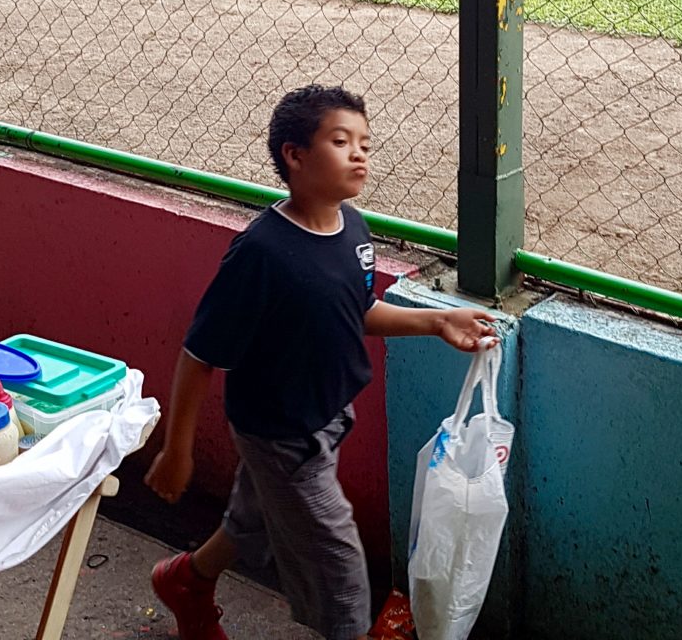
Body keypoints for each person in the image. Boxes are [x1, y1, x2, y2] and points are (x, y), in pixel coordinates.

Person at [145, 85, 498, 640]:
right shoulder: (261, 253)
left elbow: (355, 310)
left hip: (329, 417)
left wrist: (435, 322)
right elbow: (200, 354)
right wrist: (177, 449)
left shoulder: (352, 229)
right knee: (342, 577)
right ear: (295, 155)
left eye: (364, 143)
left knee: (257, 519)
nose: (359, 154)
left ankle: (187, 580)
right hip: (283, 437)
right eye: (341, 141)